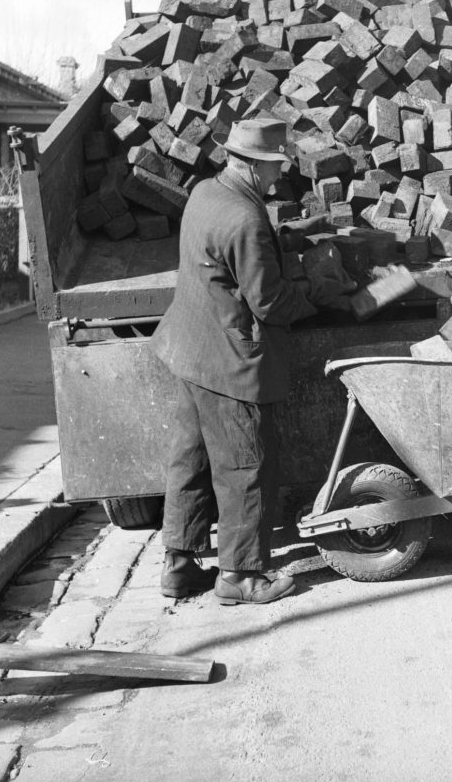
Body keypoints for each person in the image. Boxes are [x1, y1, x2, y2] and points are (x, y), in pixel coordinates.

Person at [150, 116, 353, 605]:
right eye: (276, 167)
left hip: (188, 349)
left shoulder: (206, 192)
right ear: (256, 165)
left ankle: (179, 563)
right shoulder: (245, 219)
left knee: (192, 462)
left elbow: (228, 255)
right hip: (230, 363)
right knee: (247, 466)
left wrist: (286, 236)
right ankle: (240, 576)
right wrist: (320, 296)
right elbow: (270, 304)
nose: (279, 176)